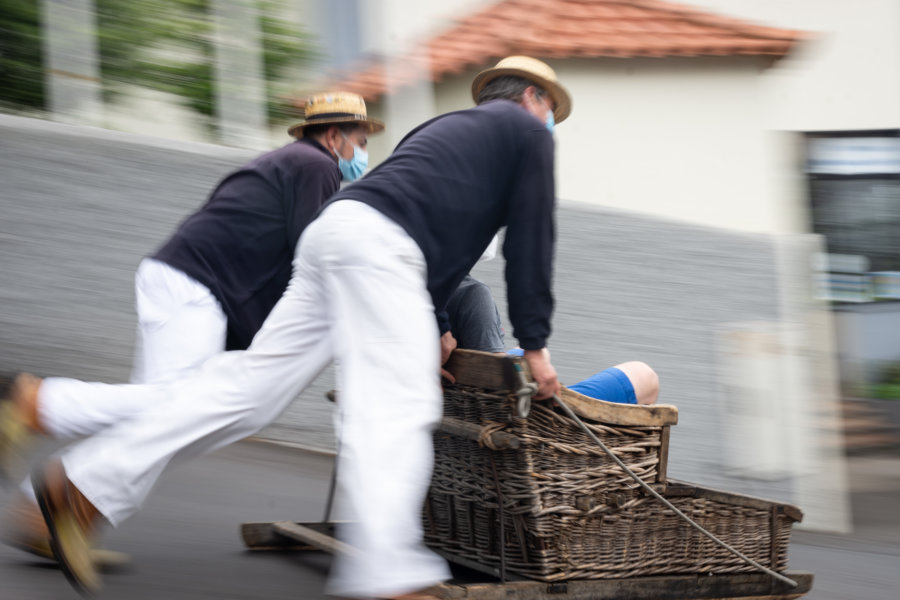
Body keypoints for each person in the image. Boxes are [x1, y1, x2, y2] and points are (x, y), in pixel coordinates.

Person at [7, 55, 570, 599]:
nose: (552, 124)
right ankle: (391, 576)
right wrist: (536, 347)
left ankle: (81, 487)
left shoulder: (441, 128)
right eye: (552, 110)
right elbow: (530, 241)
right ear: (530, 97)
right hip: (380, 251)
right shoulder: (529, 136)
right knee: (396, 406)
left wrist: (436, 321)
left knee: (250, 391)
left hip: (339, 232)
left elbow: (425, 218)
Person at [0, 91, 384, 561]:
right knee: (178, 408)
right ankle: (35, 405)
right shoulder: (315, 166)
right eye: (361, 140)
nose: (363, 152)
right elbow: (313, 254)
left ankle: (54, 518)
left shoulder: (290, 163)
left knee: (169, 420)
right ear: (333, 135)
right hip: (193, 285)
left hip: (189, 282)